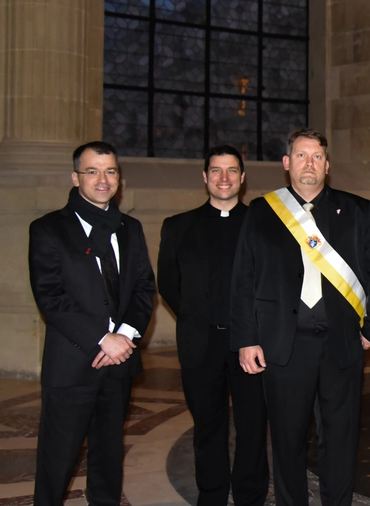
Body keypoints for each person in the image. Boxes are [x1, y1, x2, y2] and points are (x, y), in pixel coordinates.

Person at [230, 128, 370, 506]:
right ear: (287, 163)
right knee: (286, 442)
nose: (309, 164)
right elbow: (243, 279)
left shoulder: (357, 210)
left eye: (317, 157)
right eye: (301, 156)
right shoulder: (262, 211)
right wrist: (246, 338)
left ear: (327, 165)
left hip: (342, 345)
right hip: (284, 345)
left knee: (340, 439)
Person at [28, 141, 156, 506]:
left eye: (110, 171)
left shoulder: (130, 228)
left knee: (108, 460)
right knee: (57, 461)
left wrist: (125, 337)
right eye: (93, 171)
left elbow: (145, 287)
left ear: (119, 178)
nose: (103, 179)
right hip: (72, 365)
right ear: (75, 177)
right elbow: (50, 296)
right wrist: (103, 339)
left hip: (118, 364)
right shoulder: (49, 229)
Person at [158, 145, 269, 506]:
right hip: (200, 344)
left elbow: (272, 285)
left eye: (232, 171)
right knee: (208, 428)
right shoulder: (177, 227)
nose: (224, 178)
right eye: (217, 171)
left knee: (252, 427)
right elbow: (168, 285)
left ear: (242, 177)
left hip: (250, 345)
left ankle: (250, 496)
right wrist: (197, 317)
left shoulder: (263, 225)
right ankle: (213, 495)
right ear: (205, 177)